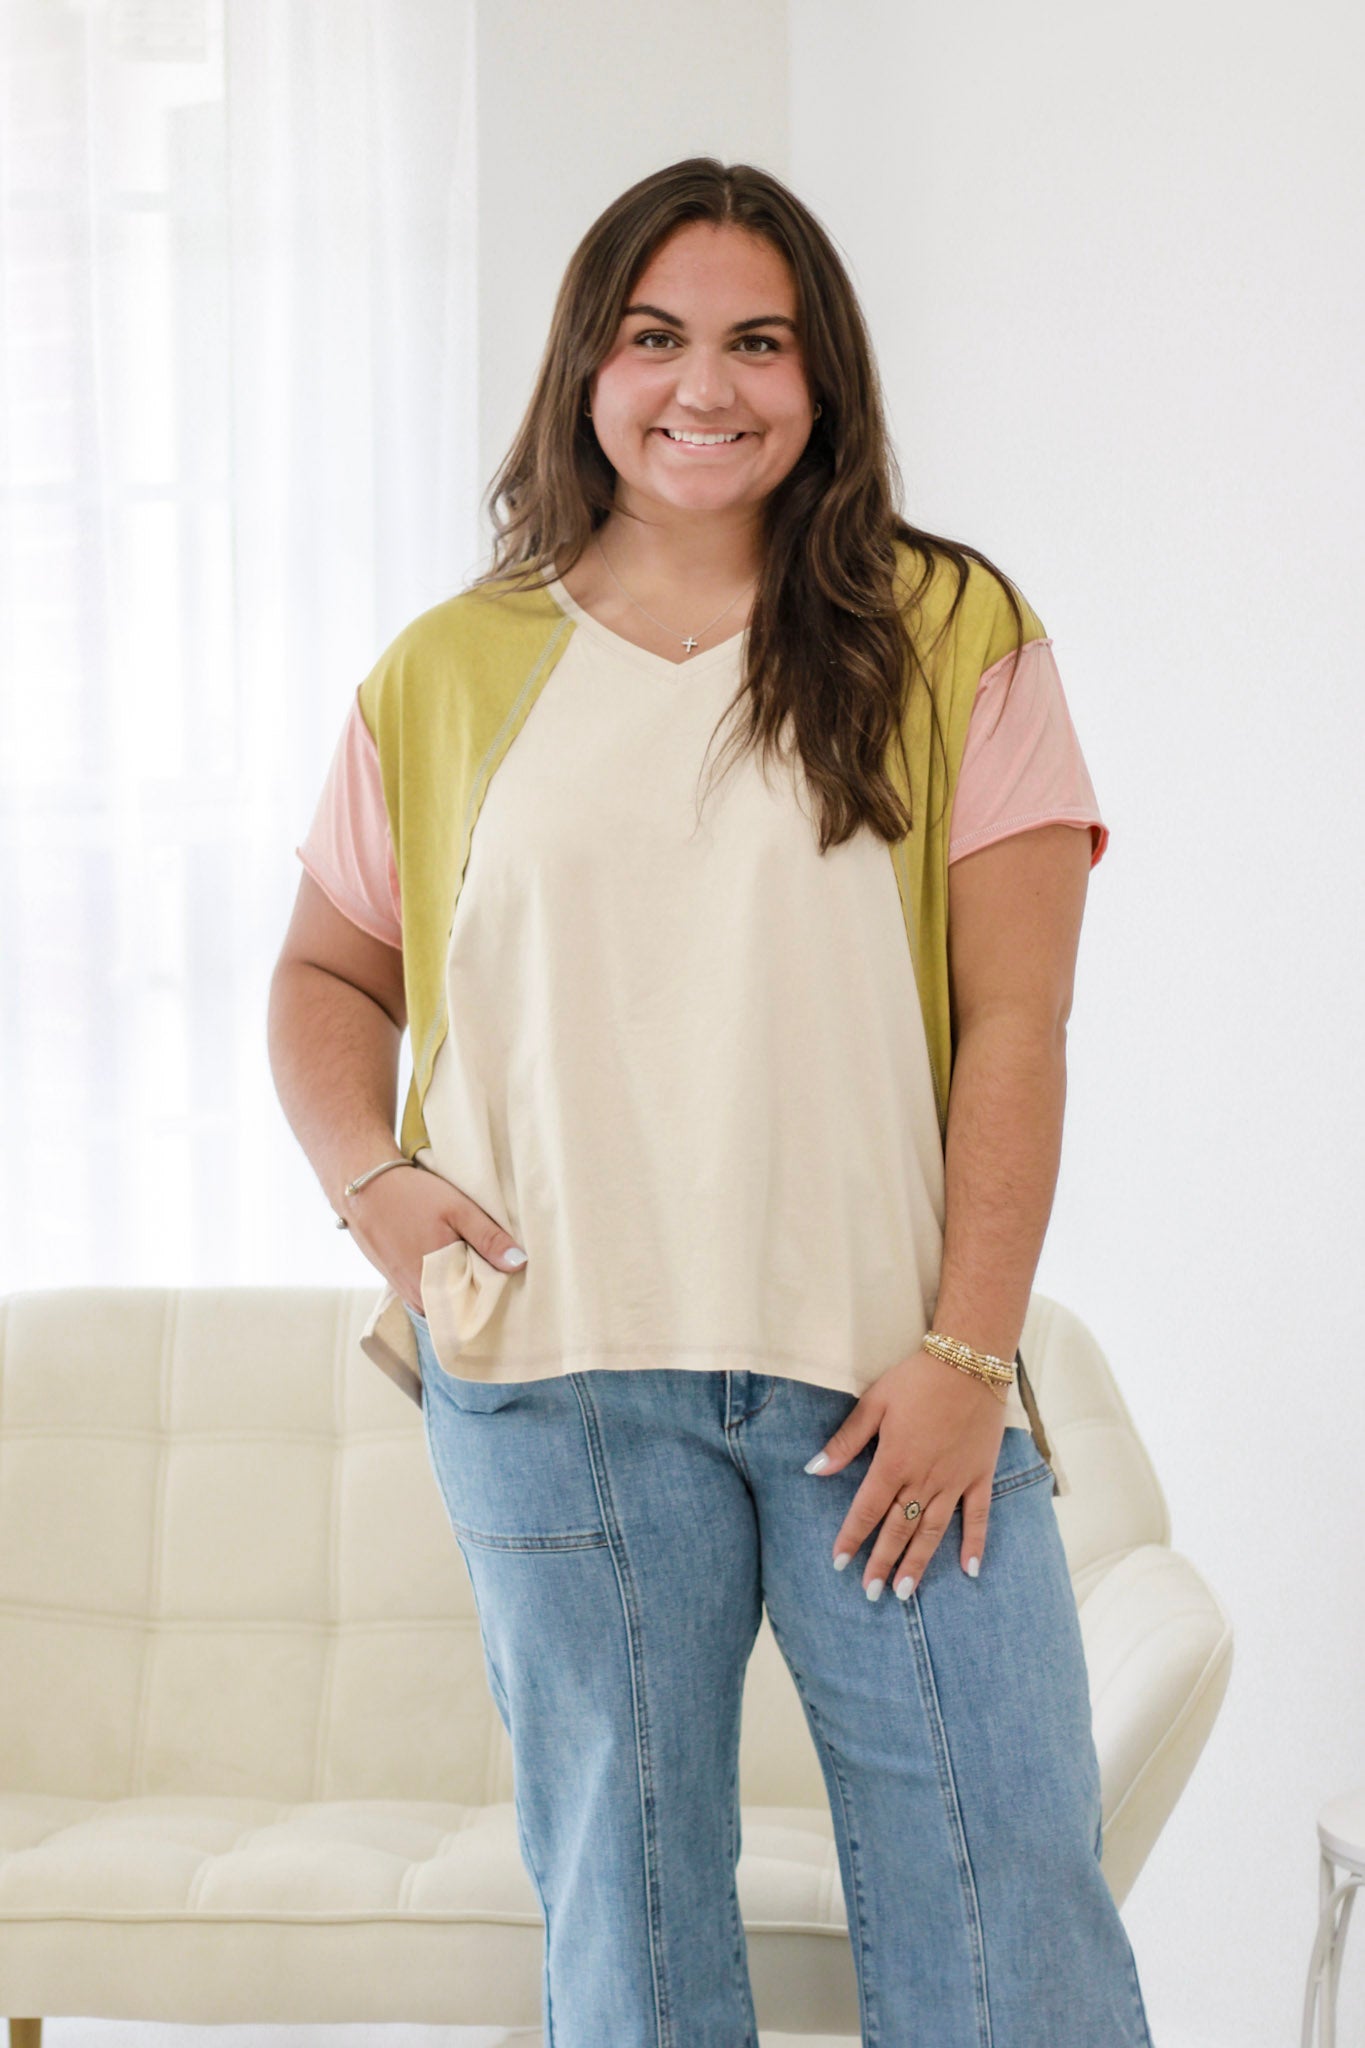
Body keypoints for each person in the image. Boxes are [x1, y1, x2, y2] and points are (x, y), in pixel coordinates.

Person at [269, 157, 1154, 2048]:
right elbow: (325, 973)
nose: (704, 386)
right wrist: (372, 1181)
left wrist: (969, 1353)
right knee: (631, 1913)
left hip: (889, 1381)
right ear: (584, 368)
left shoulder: (952, 631)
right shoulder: (446, 668)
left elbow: (1018, 1023)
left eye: (759, 341)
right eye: (654, 337)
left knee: (1005, 1907)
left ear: (821, 376)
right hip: (554, 1380)